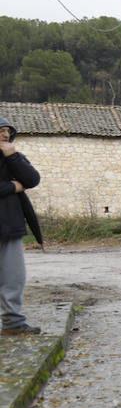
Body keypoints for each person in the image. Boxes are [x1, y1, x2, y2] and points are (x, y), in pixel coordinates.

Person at [1, 115, 42, 337]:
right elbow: (17, 185)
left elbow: (33, 179)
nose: (5, 135)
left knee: (13, 277)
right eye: (1, 131)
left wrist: (12, 157)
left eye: (8, 131)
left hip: (10, 226)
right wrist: (11, 187)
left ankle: (13, 324)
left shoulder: (14, 158)